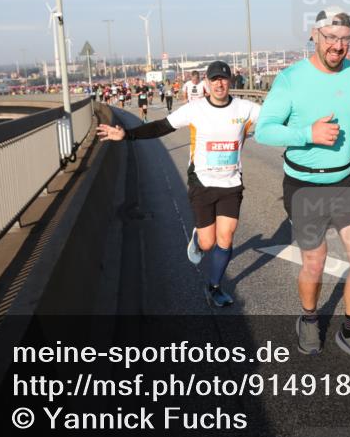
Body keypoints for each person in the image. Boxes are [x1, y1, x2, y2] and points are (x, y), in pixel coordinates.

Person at [255, 6, 350, 371]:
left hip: (349, 178)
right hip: (305, 185)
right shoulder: (290, 79)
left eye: (345, 39)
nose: (338, 46)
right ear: (314, 36)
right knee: (315, 262)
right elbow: (263, 129)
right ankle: (309, 318)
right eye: (330, 38)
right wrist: (307, 134)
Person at [96, 61, 260, 307]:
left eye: (224, 79)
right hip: (202, 182)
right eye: (214, 79)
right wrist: (127, 135)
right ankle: (198, 238)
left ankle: (214, 287)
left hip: (231, 182)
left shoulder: (245, 108)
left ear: (230, 82)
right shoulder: (195, 109)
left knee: (226, 238)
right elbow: (161, 126)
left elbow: (277, 117)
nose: (219, 83)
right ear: (206, 82)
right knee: (207, 243)